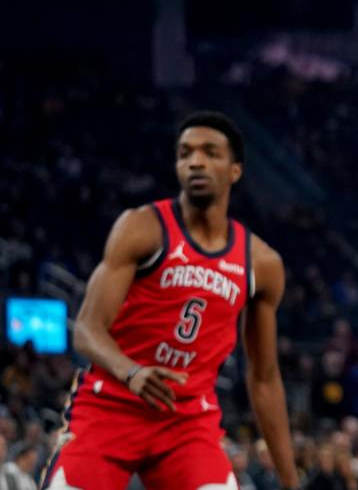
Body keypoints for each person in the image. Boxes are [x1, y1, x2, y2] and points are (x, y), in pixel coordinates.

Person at [40, 111, 299, 490]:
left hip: (187, 420)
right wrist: (132, 372)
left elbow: (264, 379)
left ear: (235, 171)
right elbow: (86, 329)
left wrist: (291, 481)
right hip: (110, 406)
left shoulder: (261, 263)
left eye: (210, 152)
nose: (195, 161)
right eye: (185, 153)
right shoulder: (141, 227)